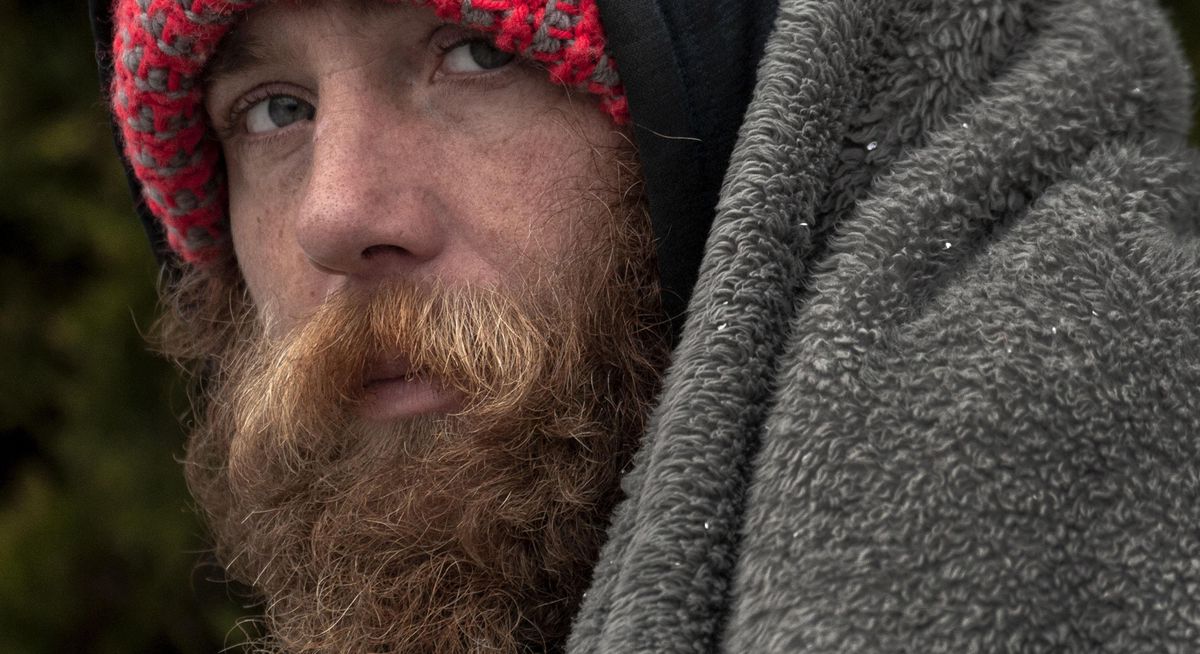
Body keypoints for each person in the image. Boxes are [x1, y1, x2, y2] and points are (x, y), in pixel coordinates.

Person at [91, 0, 1200, 651]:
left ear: (738, 96)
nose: (337, 214)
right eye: (274, 111)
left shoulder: (1106, 423)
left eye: (478, 49)